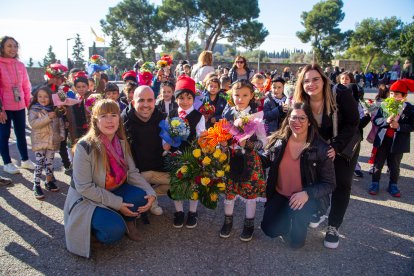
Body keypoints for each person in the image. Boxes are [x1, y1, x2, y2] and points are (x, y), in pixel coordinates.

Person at [64, 99, 156, 258]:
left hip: (115, 188)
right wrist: (118, 204)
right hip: (88, 198)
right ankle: (91, 232)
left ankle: (127, 220)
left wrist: (151, 192)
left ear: (118, 119)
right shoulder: (84, 147)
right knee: (113, 231)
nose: (109, 120)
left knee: (142, 196)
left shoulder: (120, 140)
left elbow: (132, 172)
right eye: (104, 116)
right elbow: (84, 188)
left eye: (113, 115)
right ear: (95, 120)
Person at [293, 64, 359, 249]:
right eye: (306, 81)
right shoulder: (301, 100)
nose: (311, 84)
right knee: (316, 178)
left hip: (344, 145)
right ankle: (320, 209)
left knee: (341, 184)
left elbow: (354, 122)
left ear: (323, 79)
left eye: (315, 79)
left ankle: (333, 226)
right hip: (320, 145)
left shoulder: (340, 93)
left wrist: (336, 147)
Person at [261, 103, 335, 248]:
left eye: (302, 118)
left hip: (305, 198)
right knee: (269, 229)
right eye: (294, 118)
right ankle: (287, 219)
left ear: (309, 121)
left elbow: (330, 183)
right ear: (288, 119)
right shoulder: (278, 142)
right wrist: (246, 148)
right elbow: (263, 161)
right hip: (280, 194)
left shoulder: (321, 148)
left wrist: (307, 193)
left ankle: (299, 218)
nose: (297, 122)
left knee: (296, 243)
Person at [220, 79, 267, 242]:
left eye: (244, 95)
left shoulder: (256, 116)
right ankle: (227, 222)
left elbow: (263, 141)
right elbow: (222, 134)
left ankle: (249, 225)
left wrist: (249, 144)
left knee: (250, 194)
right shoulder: (227, 114)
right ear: (231, 96)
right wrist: (223, 144)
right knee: (229, 192)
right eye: (237, 95)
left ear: (251, 96)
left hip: (250, 160)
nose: (240, 98)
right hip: (231, 158)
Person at [122, 86, 169, 216]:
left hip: (157, 169)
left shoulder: (162, 118)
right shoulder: (123, 121)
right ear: (133, 102)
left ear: (155, 101)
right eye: (141, 100)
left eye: (149, 100)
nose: (146, 105)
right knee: (136, 201)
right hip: (136, 173)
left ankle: (153, 196)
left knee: (182, 181)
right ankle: (145, 198)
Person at [167, 75, 206, 228]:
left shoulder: (198, 116)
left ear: (193, 99)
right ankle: (179, 212)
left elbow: (201, 135)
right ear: (176, 98)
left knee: (192, 184)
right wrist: (166, 143)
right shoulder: (171, 114)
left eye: (188, 98)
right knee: (176, 183)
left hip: (192, 155)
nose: (185, 101)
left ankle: (192, 212)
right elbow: (166, 132)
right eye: (181, 98)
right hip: (175, 154)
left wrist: (200, 149)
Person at [369, 79, 414, 197]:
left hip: (398, 142)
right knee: (378, 164)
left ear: (404, 96)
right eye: (392, 93)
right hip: (383, 140)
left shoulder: (409, 108)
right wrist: (385, 121)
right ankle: (375, 183)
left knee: (394, 165)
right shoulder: (384, 104)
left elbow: (412, 125)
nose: (393, 96)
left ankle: (393, 185)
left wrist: (399, 126)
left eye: (397, 94)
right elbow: (376, 120)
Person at [0, 36, 35, 174]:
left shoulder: (20, 65)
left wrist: (28, 104)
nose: (13, 49)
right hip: (4, 107)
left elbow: (26, 85)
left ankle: (25, 160)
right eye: (9, 46)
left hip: (19, 105)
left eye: (15, 46)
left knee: (21, 133)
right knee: (4, 134)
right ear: (2, 47)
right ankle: (7, 163)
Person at [28, 86, 65, 199]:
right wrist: (48, 117)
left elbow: (60, 122)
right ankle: (36, 184)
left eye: (46, 97)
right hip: (39, 140)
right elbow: (33, 124)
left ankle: (48, 182)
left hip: (52, 140)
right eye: (40, 96)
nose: (43, 99)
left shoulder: (55, 109)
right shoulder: (34, 109)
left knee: (49, 163)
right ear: (36, 97)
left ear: (51, 98)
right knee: (39, 163)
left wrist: (62, 134)